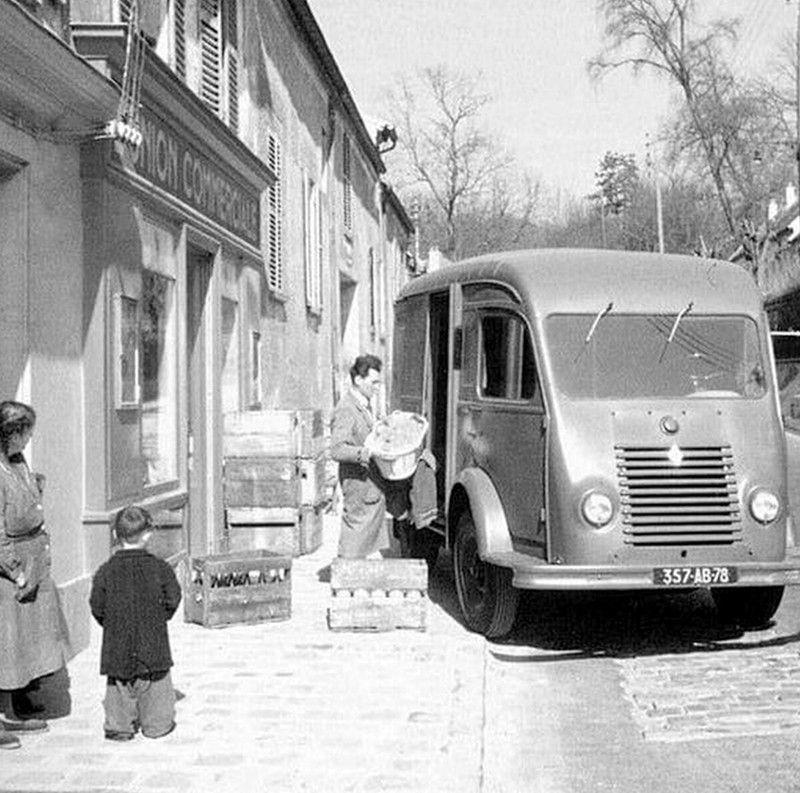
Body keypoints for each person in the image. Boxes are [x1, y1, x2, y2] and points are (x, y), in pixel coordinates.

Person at [0, 400, 67, 750]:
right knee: (7, 643)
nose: (28, 440)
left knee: (29, 639)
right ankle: (3, 715)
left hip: (34, 560)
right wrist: (15, 571)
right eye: (25, 433)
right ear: (11, 433)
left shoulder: (18, 462)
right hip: (12, 570)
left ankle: (19, 700)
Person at [89, 505, 182, 741]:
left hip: (117, 643)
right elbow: (173, 598)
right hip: (152, 642)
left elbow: (96, 605)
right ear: (147, 534)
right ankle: (156, 725)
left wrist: (112, 624)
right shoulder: (161, 568)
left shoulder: (105, 571)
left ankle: (119, 725)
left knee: (118, 685)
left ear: (115, 534)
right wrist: (159, 618)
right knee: (156, 684)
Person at [331, 354, 397, 559]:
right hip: (357, 483)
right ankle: (344, 574)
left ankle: (352, 573)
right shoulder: (346, 409)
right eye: (374, 382)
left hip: (368, 483)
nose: (377, 387)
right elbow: (337, 449)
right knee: (354, 539)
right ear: (358, 380)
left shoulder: (363, 405)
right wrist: (367, 453)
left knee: (362, 540)